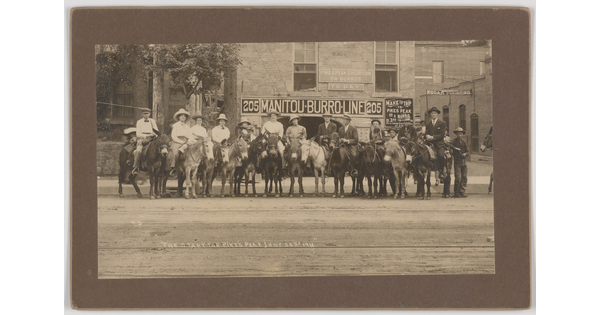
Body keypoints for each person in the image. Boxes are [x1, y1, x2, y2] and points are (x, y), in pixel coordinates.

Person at [132, 108, 159, 175]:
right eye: (144, 113)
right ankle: (136, 167)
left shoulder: (152, 121)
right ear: (142, 114)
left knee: (161, 148)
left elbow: (156, 131)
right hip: (142, 138)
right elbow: (138, 134)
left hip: (152, 138)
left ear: (150, 114)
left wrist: (154, 135)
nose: (146, 115)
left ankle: (162, 166)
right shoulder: (139, 122)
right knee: (138, 151)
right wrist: (146, 136)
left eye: (147, 113)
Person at [424, 107, 448, 182]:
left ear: (437, 114)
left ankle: (441, 171)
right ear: (430, 115)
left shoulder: (442, 123)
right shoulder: (428, 124)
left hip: (439, 143)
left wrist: (433, 137)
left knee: (440, 155)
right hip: (429, 143)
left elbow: (442, 134)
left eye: (434, 113)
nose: (433, 114)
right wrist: (427, 136)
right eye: (432, 113)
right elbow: (426, 132)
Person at [168, 109, 192, 176]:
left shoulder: (187, 126)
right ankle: (173, 168)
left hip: (185, 141)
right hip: (177, 141)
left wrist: (188, 141)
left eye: (184, 116)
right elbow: (174, 136)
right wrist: (180, 142)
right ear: (179, 117)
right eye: (181, 116)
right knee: (175, 153)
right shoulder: (175, 125)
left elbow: (189, 135)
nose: (183, 117)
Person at [450, 127, 469, 198]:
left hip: (464, 162)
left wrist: (465, 154)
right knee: (458, 177)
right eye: (458, 134)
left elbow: (467, 151)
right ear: (456, 134)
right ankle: (456, 192)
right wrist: (455, 148)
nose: (460, 135)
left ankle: (462, 192)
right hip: (457, 161)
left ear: (462, 134)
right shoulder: (454, 141)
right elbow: (449, 145)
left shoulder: (464, 142)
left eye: (461, 134)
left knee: (464, 177)